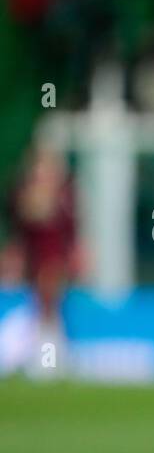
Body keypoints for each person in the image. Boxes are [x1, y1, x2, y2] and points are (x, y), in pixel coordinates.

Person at [2, 141, 80, 378]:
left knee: (49, 305)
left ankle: (50, 360)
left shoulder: (66, 194)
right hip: (34, 256)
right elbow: (26, 221)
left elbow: (71, 229)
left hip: (54, 257)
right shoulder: (25, 192)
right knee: (42, 307)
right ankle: (45, 358)